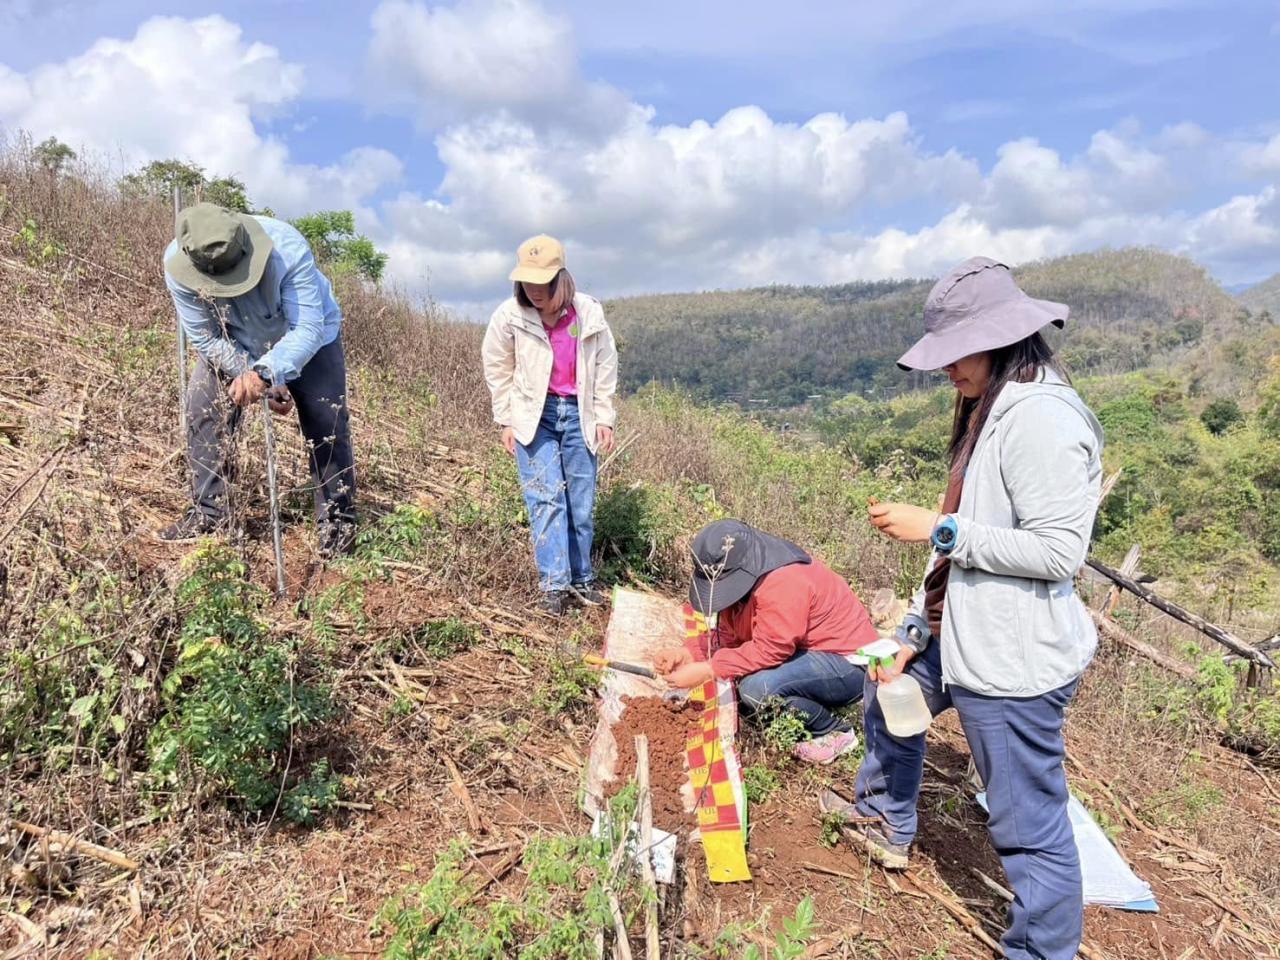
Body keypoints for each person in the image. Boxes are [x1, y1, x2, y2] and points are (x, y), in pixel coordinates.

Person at [821, 257, 1104, 960]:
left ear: (1003, 337)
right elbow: (962, 534)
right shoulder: (993, 405)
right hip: (962, 630)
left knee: (1028, 826)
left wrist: (940, 529)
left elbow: (1058, 553)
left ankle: (1040, 951)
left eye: (955, 355)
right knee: (888, 688)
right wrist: (916, 626)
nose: (947, 371)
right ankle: (886, 820)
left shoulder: (1042, 417)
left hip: (1011, 659)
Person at [158, 203, 356, 558]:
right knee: (203, 408)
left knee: (327, 420)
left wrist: (267, 373)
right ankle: (210, 513)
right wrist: (253, 374)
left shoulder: (287, 250)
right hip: (233, 342)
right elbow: (204, 338)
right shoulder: (178, 264)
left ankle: (338, 523)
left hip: (309, 338)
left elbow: (307, 328)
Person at [655, 519, 879, 764]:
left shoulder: (783, 582)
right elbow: (733, 632)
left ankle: (833, 731)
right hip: (808, 651)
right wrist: (689, 653)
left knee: (756, 690)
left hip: (849, 664)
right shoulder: (748, 572)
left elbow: (771, 648)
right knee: (749, 686)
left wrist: (708, 670)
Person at [481, 235, 618, 616]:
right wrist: (505, 418)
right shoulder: (509, 316)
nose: (534, 290)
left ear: (560, 277)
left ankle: (582, 579)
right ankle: (554, 586)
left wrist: (604, 415)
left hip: (579, 414)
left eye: (542, 282)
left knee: (581, 503)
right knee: (545, 500)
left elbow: (606, 365)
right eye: (527, 281)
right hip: (533, 416)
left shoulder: (588, 313)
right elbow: (497, 366)